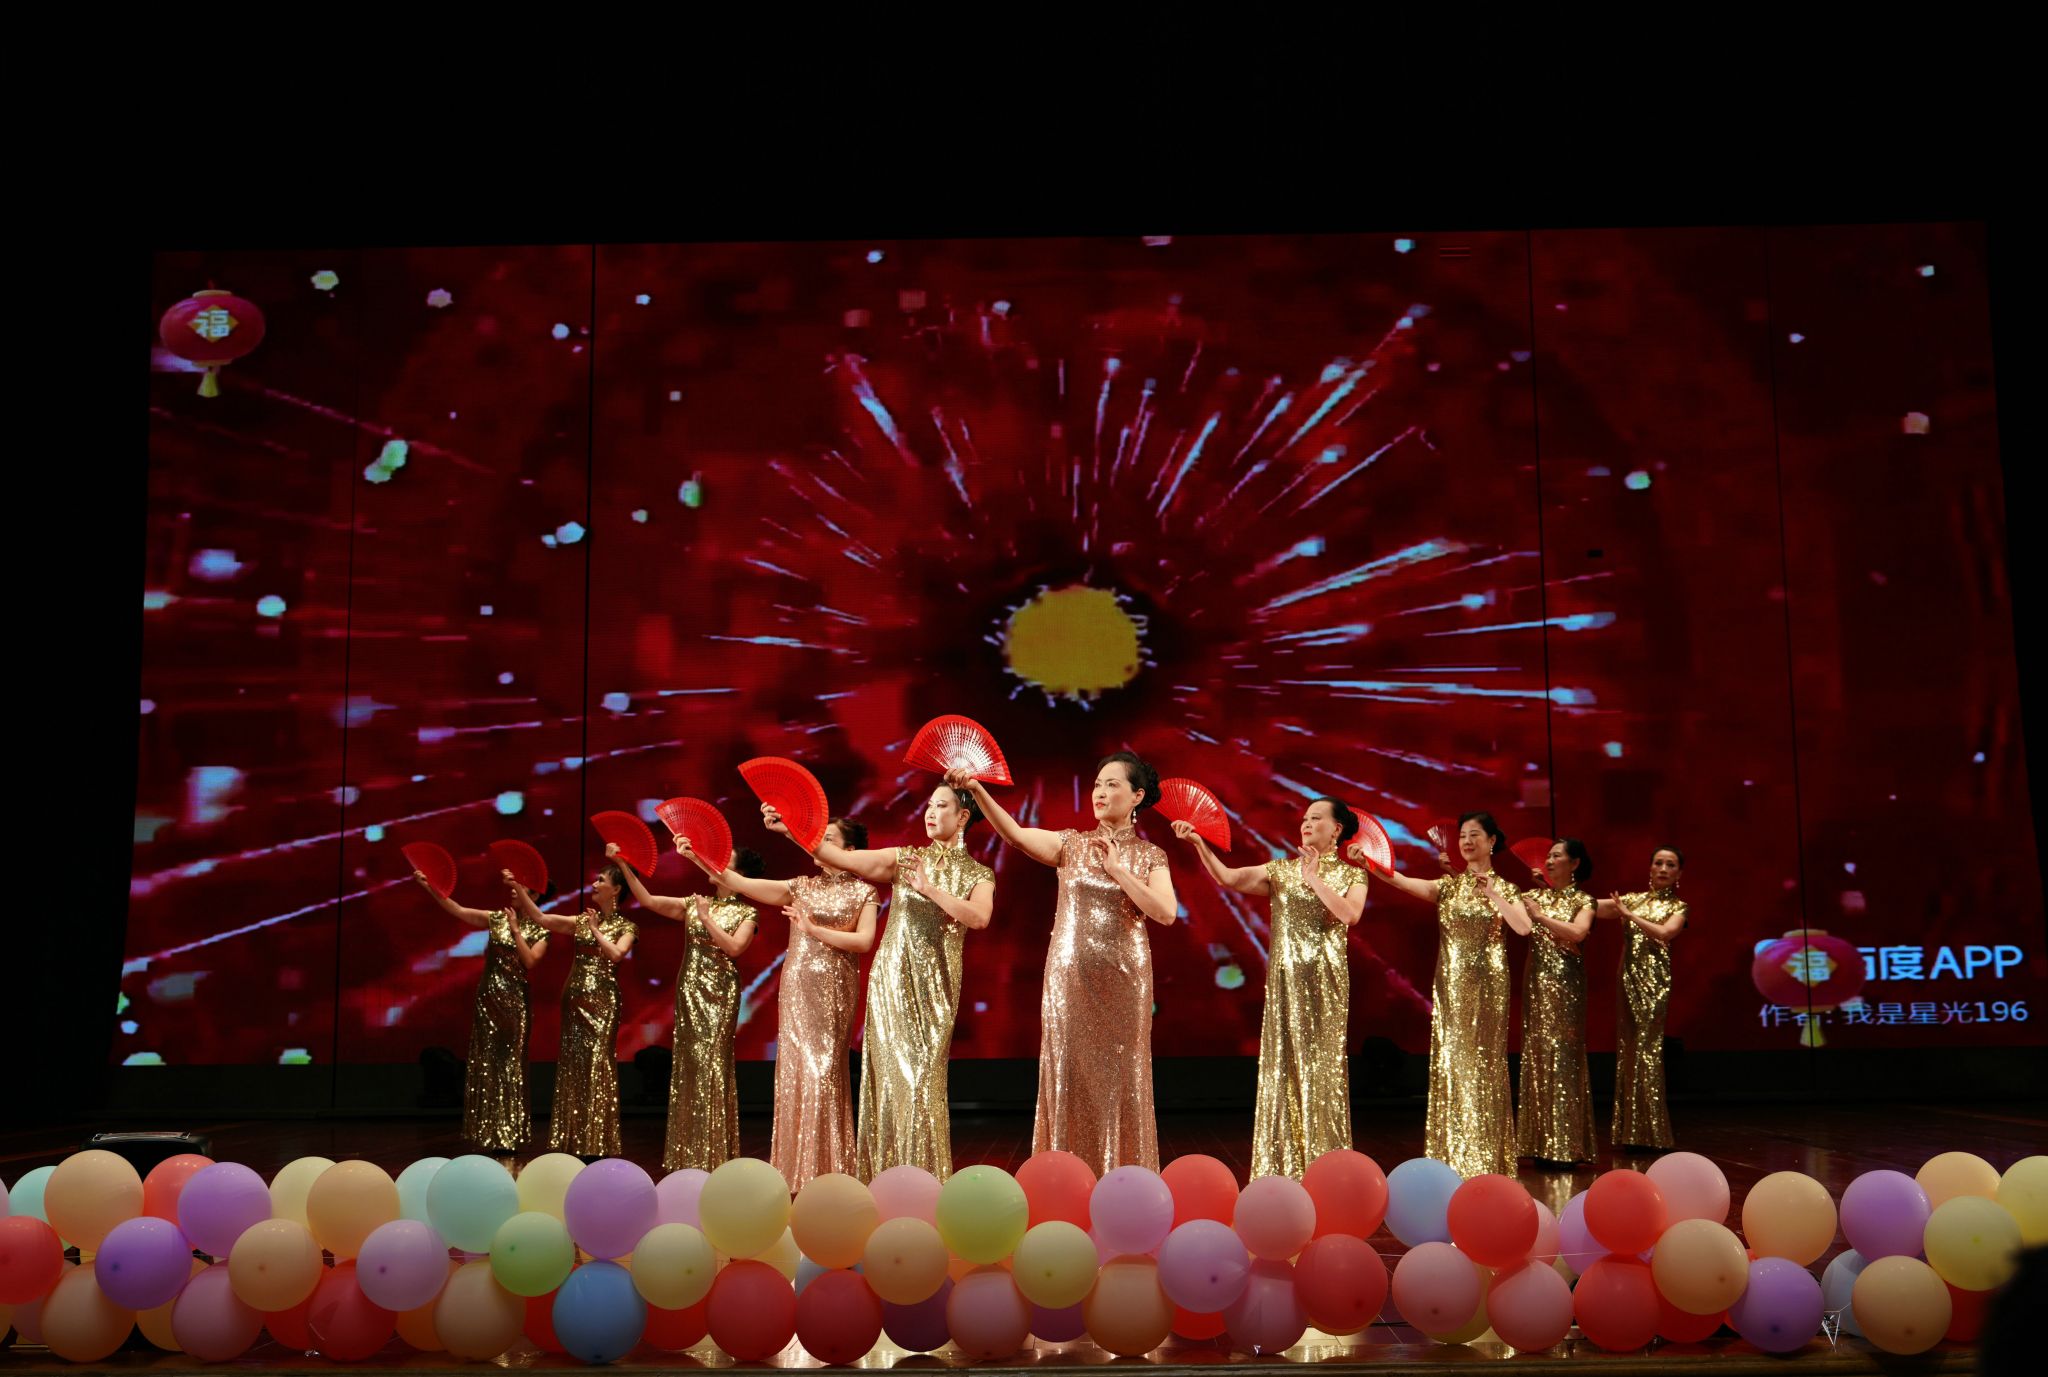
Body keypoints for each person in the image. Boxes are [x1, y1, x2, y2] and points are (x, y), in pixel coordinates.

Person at [952, 752, 1177, 1175]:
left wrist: (1118, 871)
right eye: (1097, 784)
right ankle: (1066, 1177)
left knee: (1122, 1075)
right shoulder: (1072, 844)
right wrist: (977, 790)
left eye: (1112, 784)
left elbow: (1165, 912)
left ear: (1137, 797)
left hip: (1124, 981)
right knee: (1069, 1072)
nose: (1100, 792)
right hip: (1070, 979)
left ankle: (1123, 1177)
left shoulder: (1151, 856)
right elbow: (1016, 835)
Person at [791, 790, 994, 1179]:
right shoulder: (905, 858)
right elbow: (842, 858)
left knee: (921, 1082)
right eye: (929, 805)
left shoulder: (978, 874)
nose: (930, 812)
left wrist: (930, 889)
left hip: (935, 988)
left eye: (941, 806)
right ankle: (886, 1181)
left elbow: (979, 917)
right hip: (890, 981)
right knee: (889, 1082)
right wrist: (793, 827)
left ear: (963, 817)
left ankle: (925, 1181)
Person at [677, 820, 877, 1189]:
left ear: (849, 851)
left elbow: (864, 942)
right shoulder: (800, 887)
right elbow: (737, 882)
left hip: (834, 988)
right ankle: (797, 1170)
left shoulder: (865, 893)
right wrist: (696, 856)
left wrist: (813, 929)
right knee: (796, 1071)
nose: (819, 844)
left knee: (824, 1070)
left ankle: (831, 1170)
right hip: (798, 985)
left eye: (829, 839)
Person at [1175, 796, 1367, 1178]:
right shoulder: (1281, 871)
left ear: (1337, 829)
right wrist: (1199, 843)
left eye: (1316, 818)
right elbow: (1228, 878)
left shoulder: (1352, 875)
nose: (1306, 824)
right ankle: (1284, 1169)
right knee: (1283, 1070)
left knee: (1321, 1072)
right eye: (1305, 818)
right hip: (1285, 984)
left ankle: (1326, 1170)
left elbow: (1349, 914)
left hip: (1325, 986)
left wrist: (1314, 878)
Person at [1371, 812, 1525, 1178]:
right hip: (1452, 987)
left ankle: (1487, 1156)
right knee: (1454, 1064)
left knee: (1484, 1066)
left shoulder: (1506, 888)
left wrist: (1493, 893)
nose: (1467, 841)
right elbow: (1402, 882)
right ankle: (1454, 1153)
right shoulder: (1448, 887)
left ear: (1492, 841)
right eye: (1463, 836)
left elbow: (1523, 927)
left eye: (1475, 835)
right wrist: (1371, 864)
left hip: (1488, 988)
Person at [613, 842, 760, 1171]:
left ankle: (716, 1151)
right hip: (690, 990)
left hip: (720, 992)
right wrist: (624, 866)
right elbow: (648, 901)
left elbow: (734, 948)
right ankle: (688, 1150)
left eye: (726, 861)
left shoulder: (747, 913)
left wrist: (706, 919)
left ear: (739, 874)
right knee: (690, 1063)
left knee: (713, 1063)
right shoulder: (693, 903)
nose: (716, 863)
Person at [412, 868, 548, 1153]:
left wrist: (515, 930)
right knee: (488, 1064)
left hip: (515, 1003)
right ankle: (490, 1132)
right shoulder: (496, 918)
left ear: (534, 895)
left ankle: (510, 1134)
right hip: (489, 999)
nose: (513, 890)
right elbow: (459, 911)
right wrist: (430, 886)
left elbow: (530, 961)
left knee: (510, 1065)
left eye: (522, 886)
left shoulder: (540, 930)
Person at [510, 860, 637, 1158]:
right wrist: (518, 887)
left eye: (601, 880)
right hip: (575, 1001)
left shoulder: (627, 927)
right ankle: (573, 1140)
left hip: (603, 1003)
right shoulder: (581, 921)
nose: (594, 884)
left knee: (598, 1066)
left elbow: (617, 954)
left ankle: (597, 1141)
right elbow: (541, 918)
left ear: (616, 889)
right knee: (574, 1066)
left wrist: (595, 931)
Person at [1596, 846, 1689, 1150]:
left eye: (1670, 865)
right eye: (1658, 863)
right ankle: (1631, 1132)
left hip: (1655, 985)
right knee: (1630, 1050)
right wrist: (1548, 887)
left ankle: (1653, 1133)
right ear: (1650, 868)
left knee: (1647, 1051)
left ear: (1678, 873)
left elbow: (1664, 933)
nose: (1663, 869)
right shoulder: (1632, 900)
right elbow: (1588, 907)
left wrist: (1629, 915)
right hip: (1628, 982)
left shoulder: (1678, 907)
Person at [1513, 839, 1597, 1164]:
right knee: (1538, 1056)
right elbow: (1506, 909)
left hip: (1567, 989)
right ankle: (1539, 1144)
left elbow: (1578, 933)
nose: (1548, 860)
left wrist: (1541, 917)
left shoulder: (1583, 900)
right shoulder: (1535, 897)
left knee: (1563, 1058)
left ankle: (1565, 1147)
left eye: (1556, 856)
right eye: (1547, 856)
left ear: (1574, 864)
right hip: (1536, 986)